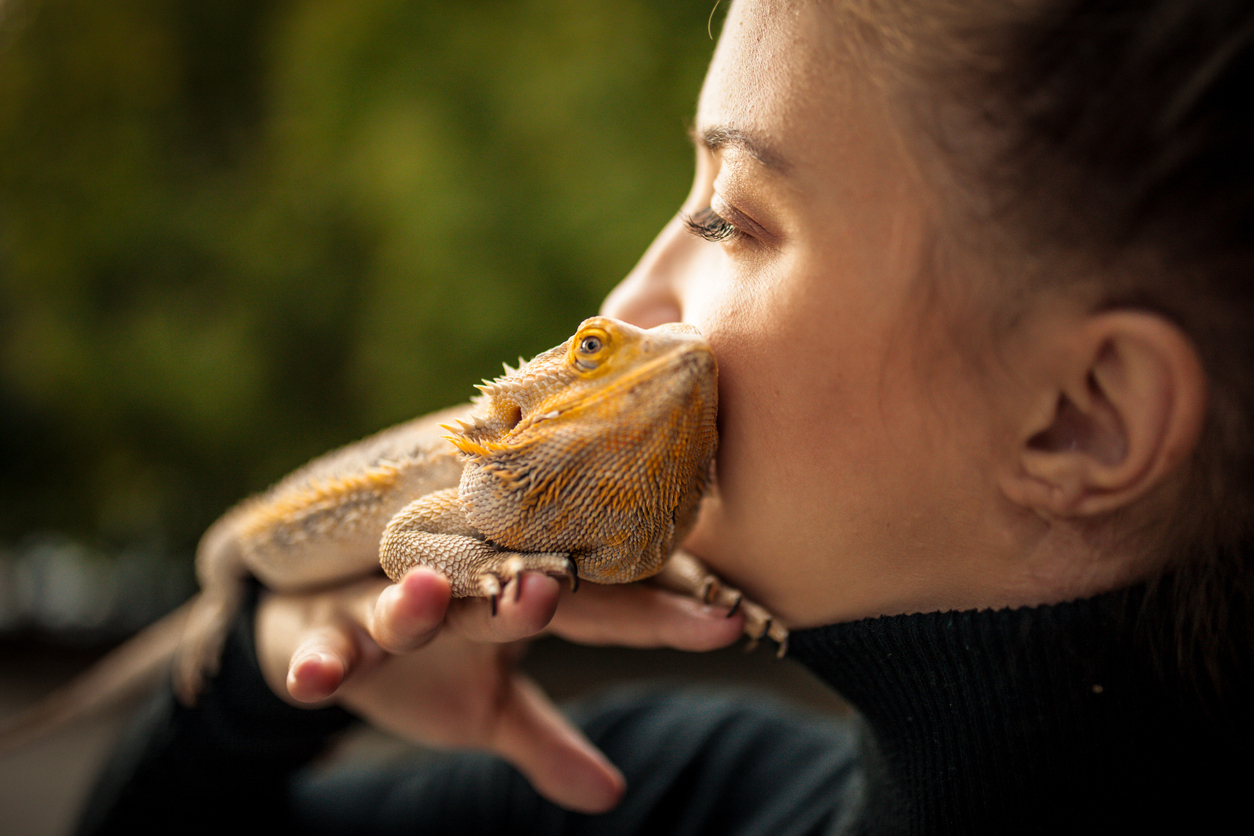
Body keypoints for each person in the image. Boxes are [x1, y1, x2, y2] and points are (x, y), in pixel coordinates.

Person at [76, 0, 1253, 832]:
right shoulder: (649, 780)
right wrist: (249, 682)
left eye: (732, 218)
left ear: (1082, 415)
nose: (629, 304)